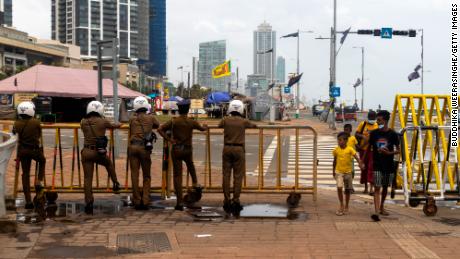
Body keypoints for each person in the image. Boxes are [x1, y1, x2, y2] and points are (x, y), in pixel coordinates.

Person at [158, 99, 207, 211]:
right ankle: (195, 183)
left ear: (178, 110)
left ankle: (179, 202)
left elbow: (160, 129)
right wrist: (205, 126)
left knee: (177, 176)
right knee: (191, 166)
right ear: (188, 109)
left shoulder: (174, 121)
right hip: (188, 150)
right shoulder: (191, 122)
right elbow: (203, 129)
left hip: (176, 150)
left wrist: (169, 139)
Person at [81, 101, 121, 215]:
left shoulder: (83, 122)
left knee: (87, 179)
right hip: (98, 152)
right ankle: (115, 184)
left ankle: (88, 202)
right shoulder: (103, 121)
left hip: (86, 151)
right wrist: (120, 124)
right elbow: (115, 125)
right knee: (108, 164)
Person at [218, 100, 257, 216]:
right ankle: (236, 199)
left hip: (227, 149)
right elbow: (254, 125)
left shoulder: (225, 120)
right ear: (241, 109)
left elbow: (219, 125)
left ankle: (226, 198)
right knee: (238, 176)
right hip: (239, 150)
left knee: (226, 175)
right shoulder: (244, 121)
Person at [13, 101, 46, 210]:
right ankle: (39, 181)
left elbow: (14, 134)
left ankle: (28, 200)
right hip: (34, 150)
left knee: (25, 174)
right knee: (42, 160)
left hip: (22, 151)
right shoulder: (36, 122)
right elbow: (39, 135)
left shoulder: (16, 123)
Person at [128, 96, 160, 210]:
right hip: (144, 149)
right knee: (146, 176)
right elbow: (158, 125)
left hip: (133, 148)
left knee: (134, 175)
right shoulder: (151, 118)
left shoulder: (132, 119)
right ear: (146, 106)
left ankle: (136, 200)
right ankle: (145, 199)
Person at [368, 110, 400, 221]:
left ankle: (381, 206)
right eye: (377, 120)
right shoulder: (374, 133)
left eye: (379, 120)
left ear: (385, 121)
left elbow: (399, 151)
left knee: (385, 187)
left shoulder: (393, 134)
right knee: (377, 187)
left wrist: (389, 153)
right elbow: (368, 148)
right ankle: (376, 212)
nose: (377, 122)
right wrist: (362, 161)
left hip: (388, 165)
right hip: (377, 164)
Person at [333, 132, 364, 216]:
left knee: (347, 190)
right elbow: (335, 161)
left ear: (346, 141)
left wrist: (360, 164)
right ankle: (341, 204)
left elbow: (356, 157)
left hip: (348, 172)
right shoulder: (336, 150)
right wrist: (333, 171)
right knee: (339, 187)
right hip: (339, 172)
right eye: (338, 140)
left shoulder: (350, 149)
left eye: (340, 140)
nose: (339, 142)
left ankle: (346, 206)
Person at [355, 110, 378, 194]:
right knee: (364, 168)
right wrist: (363, 136)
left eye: (373, 117)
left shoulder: (377, 125)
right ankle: (365, 188)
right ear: (368, 117)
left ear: (375, 118)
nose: (371, 119)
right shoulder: (363, 124)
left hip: (373, 151)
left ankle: (371, 188)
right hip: (363, 150)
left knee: (372, 169)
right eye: (370, 117)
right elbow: (356, 134)